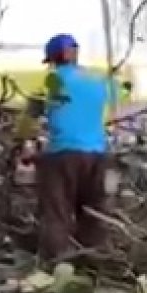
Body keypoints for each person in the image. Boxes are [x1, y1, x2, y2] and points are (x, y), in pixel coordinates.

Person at [35, 33, 110, 261]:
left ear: (54, 59)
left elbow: (31, 116)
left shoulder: (52, 81)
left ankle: (57, 262)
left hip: (62, 153)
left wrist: (25, 143)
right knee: (93, 212)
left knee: (57, 211)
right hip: (97, 153)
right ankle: (93, 260)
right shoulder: (97, 80)